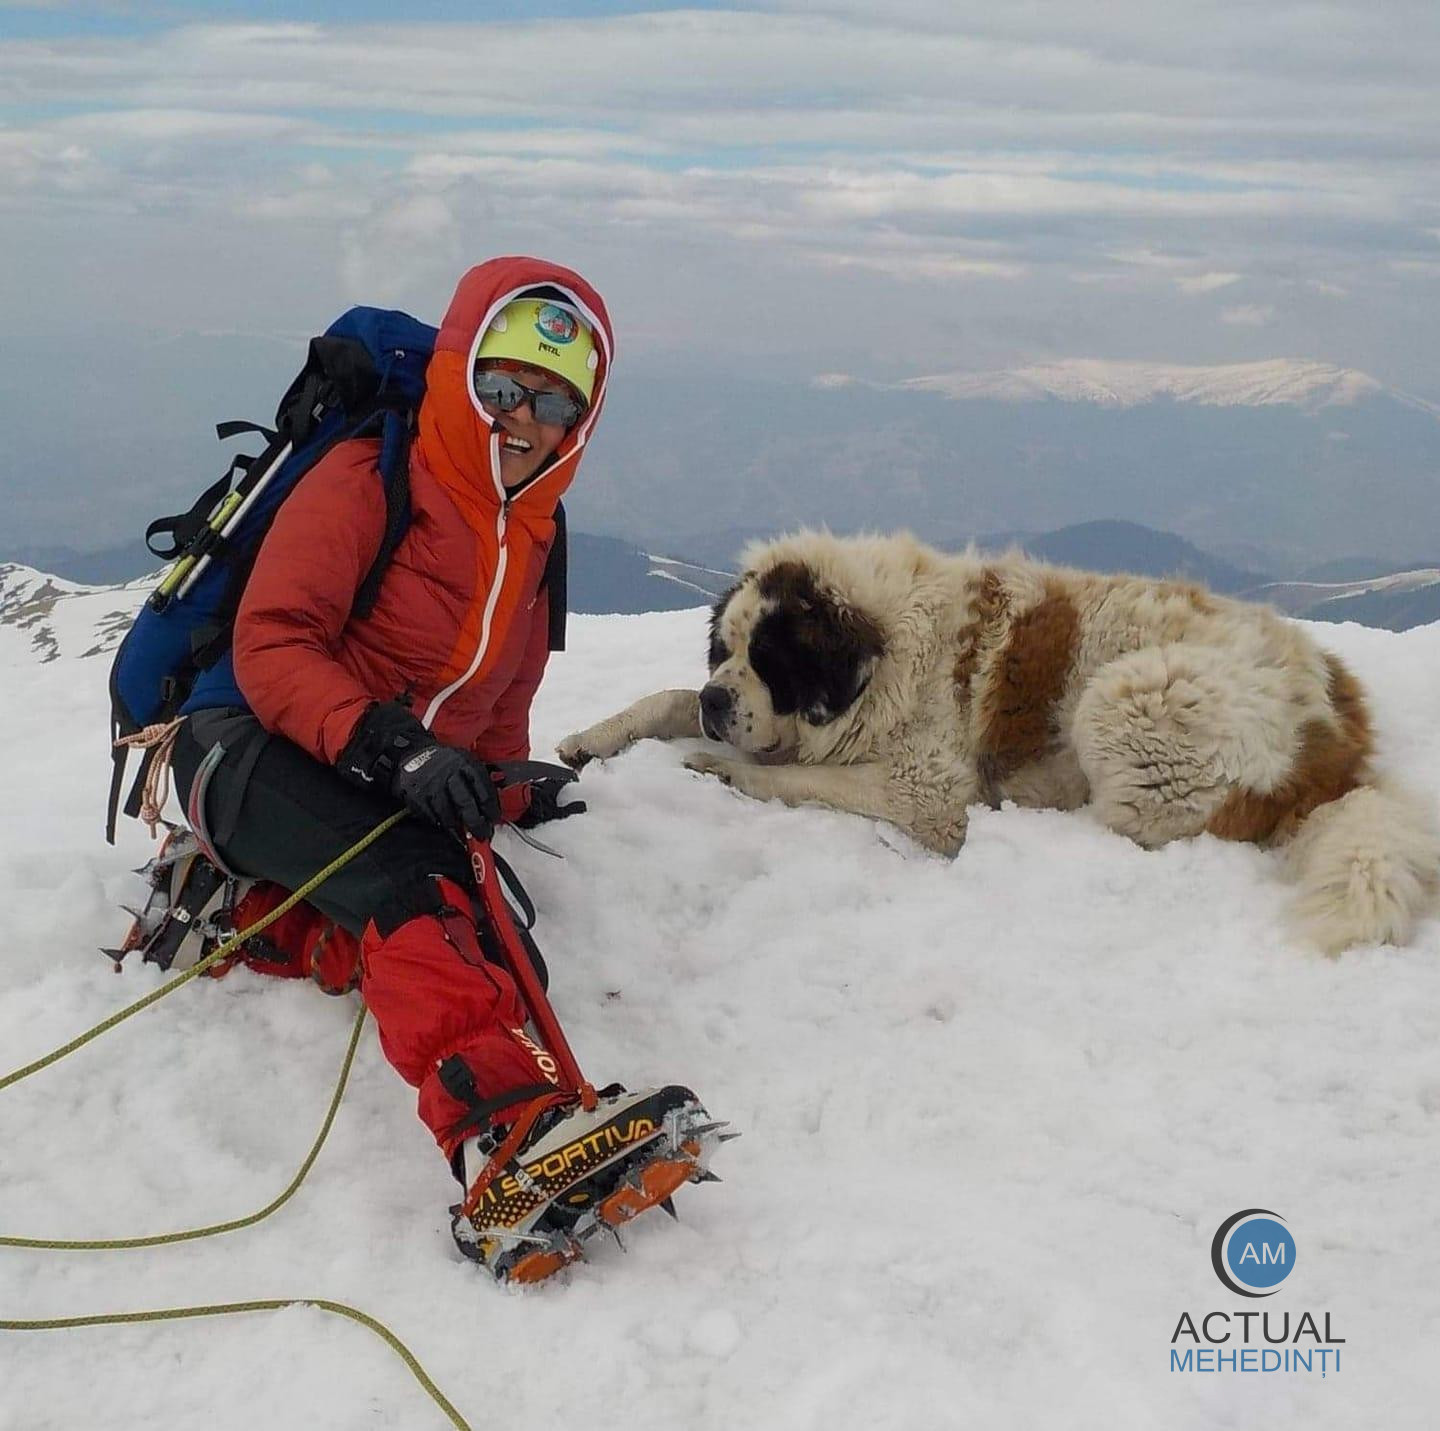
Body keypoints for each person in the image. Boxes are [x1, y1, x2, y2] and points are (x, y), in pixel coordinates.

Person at [168, 257, 711, 1280]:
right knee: (414, 891)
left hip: (362, 771)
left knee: (497, 944)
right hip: (238, 745)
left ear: (579, 423)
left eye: (553, 403)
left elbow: (495, 702)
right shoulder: (369, 477)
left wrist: (503, 778)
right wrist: (391, 745)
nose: (522, 418)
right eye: (502, 388)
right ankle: (507, 1145)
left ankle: (244, 918)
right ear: (463, 378)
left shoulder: (535, 534)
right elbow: (274, 646)